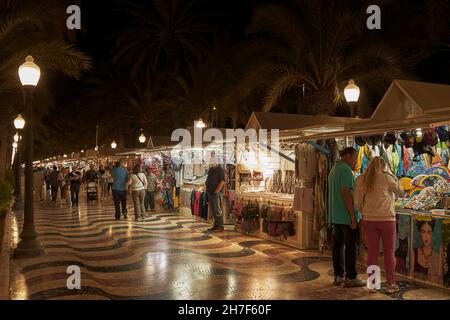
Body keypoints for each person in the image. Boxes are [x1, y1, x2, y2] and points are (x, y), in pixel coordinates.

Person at [354, 156, 404, 294]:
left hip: (369, 219)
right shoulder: (386, 177)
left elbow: (357, 203)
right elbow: (401, 192)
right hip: (387, 219)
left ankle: (373, 285)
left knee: (372, 253)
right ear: (383, 166)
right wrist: (393, 176)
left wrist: (366, 210)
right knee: (389, 253)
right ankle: (391, 284)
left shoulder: (361, 179)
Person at [328, 147, 365, 287]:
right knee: (351, 247)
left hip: (336, 216)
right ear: (348, 155)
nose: (355, 160)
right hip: (346, 217)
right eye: (355, 157)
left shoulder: (333, 170)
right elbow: (346, 194)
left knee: (337, 247)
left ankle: (338, 275)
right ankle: (351, 277)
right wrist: (353, 216)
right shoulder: (346, 171)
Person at [205, 157, 225, 232]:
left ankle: (220, 226)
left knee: (217, 209)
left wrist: (217, 191)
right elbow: (208, 179)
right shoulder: (210, 170)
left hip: (217, 193)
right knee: (213, 210)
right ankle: (215, 225)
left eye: (213, 161)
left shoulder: (220, 169)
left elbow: (222, 181)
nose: (212, 162)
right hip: (210, 192)